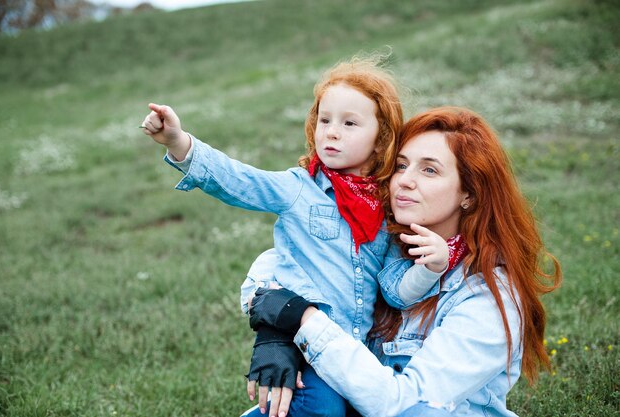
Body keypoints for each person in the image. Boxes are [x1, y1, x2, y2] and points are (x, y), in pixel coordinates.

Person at [140, 56, 450, 417]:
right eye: (324, 120)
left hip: (353, 353)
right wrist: (179, 142)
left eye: (349, 123)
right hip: (302, 344)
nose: (331, 131)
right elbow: (239, 180)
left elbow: (396, 291)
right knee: (320, 409)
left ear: (381, 140)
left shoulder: (387, 210)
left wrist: (430, 268)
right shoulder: (300, 188)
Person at [248, 106, 562, 417]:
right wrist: (274, 335)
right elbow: (281, 259)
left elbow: (403, 405)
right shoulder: (385, 249)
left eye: (429, 170)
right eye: (400, 165)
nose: (405, 181)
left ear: (470, 194)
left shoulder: (488, 295)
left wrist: (305, 319)